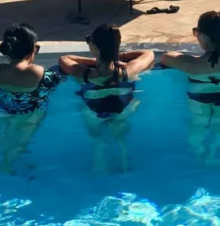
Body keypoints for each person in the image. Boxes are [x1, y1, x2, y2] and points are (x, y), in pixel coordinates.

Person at [0, 23, 63, 174]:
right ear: (34, 49)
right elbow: (59, 81)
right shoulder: (41, 74)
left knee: (5, 134)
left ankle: (1, 151)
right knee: (21, 142)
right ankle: (6, 166)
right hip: (29, 114)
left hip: (3, 109)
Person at [161, 11, 220, 165]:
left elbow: (166, 57)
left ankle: (199, 153)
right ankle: (213, 152)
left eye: (196, 32)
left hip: (200, 97)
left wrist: (190, 58)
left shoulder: (192, 64)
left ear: (204, 35)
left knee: (198, 125)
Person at [58, 23, 154, 173]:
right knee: (121, 134)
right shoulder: (128, 70)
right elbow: (149, 54)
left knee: (98, 138)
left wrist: (96, 60)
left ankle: (100, 165)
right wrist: (116, 56)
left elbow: (64, 58)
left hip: (93, 111)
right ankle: (124, 162)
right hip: (125, 107)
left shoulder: (83, 73)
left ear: (95, 48)